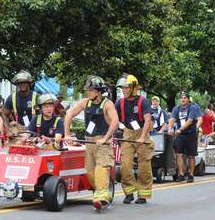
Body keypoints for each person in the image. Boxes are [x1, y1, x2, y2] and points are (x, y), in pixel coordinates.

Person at [64, 75, 118, 211]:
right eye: (87, 90)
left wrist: (105, 138)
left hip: (102, 143)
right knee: (89, 171)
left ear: (99, 91)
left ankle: (101, 198)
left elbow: (115, 122)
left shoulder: (108, 104)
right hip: (89, 142)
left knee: (101, 168)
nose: (88, 93)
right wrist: (67, 134)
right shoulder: (85, 102)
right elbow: (69, 114)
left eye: (91, 90)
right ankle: (100, 192)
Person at [115, 74, 153, 204]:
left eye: (126, 88)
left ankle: (143, 194)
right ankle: (129, 192)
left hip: (142, 133)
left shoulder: (143, 101)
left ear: (133, 88)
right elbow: (114, 118)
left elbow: (148, 119)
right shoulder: (119, 102)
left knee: (144, 166)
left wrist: (142, 137)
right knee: (125, 166)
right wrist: (118, 127)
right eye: (122, 88)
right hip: (128, 133)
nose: (124, 90)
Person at [168, 92, 202, 183]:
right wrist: (170, 128)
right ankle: (181, 174)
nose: (183, 99)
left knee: (191, 155)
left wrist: (180, 129)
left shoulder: (192, 108)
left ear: (188, 99)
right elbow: (172, 119)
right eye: (181, 98)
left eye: (185, 98)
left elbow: (190, 121)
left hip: (190, 133)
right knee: (179, 154)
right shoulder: (176, 108)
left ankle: (191, 174)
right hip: (180, 135)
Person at [3, 71, 38, 142]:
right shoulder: (12, 97)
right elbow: (4, 114)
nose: (22, 84)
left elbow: (44, 116)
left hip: (34, 131)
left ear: (29, 83)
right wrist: (8, 131)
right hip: (18, 131)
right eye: (20, 83)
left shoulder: (36, 97)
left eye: (24, 82)